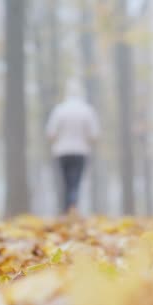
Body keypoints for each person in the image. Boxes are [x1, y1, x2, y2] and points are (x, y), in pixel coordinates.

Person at [46, 81, 100, 214]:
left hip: (62, 151)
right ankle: (72, 206)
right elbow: (94, 134)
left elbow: (50, 133)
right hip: (80, 151)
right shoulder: (87, 110)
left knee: (65, 181)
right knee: (75, 181)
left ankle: (67, 209)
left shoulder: (59, 110)